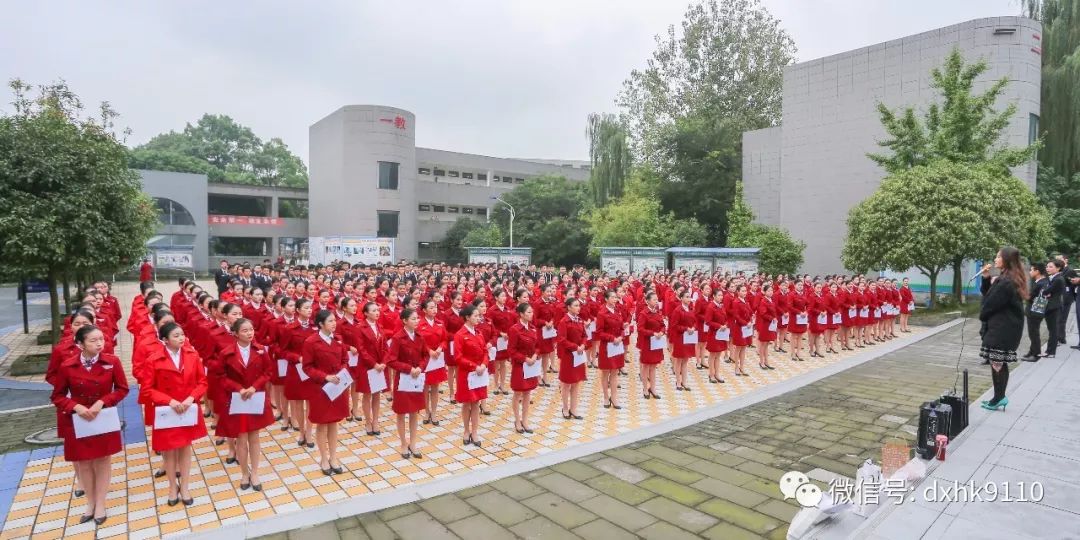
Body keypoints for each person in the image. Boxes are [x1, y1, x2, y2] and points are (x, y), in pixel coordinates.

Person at [50, 325, 129, 525]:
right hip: (79, 420)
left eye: (101, 339)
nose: (99, 343)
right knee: (84, 463)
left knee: (103, 461)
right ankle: (90, 503)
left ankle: (101, 503)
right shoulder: (68, 366)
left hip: (102, 418)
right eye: (93, 340)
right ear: (80, 344)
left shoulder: (112, 362)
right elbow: (57, 396)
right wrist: (75, 406)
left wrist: (103, 402)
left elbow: (122, 389)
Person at [144, 322, 208, 507]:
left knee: (186, 449)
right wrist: (169, 401)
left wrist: (190, 399)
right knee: (169, 452)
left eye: (182, 335)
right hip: (168, 411)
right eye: (176, 336)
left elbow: (202, 382)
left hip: (187, 408)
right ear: (164, 340)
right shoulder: (154, 359)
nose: (181, 338)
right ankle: (172, 487)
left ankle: (185, 486)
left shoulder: (192, 355)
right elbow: (148, 389)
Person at [214, 318, 274, 491]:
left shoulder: (261, 350)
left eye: (251, 329)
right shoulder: (227, 353)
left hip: (255, 397)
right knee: (241, 437)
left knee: (254, 437)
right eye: (245, 330)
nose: (250, 333)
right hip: (238, 399)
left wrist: (255, 387)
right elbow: (221, 376)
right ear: (235, 333)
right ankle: (244, 474)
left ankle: (254, 472)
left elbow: (268, 372)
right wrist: (238, 388)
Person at [978, 247, 1027, 411]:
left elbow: (990, 303)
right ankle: (998, 397)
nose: (995, 259)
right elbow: (990, 295)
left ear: (1006, 260)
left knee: (998, 362)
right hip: (1004, 327)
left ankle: (999, 397)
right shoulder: (1007, 278)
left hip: (1003, 328)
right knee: (997, 362)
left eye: (998, 257)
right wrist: (986, 278)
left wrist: (982, 314)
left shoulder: (1006, 281)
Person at [302, 310, 349, 475]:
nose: (334, 323)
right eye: (330, 321)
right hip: (320, 388)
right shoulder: (310, 342)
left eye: (334, 320)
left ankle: (333, 457)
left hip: (337, 387)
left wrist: (341, 373)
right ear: (321, 324)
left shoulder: (338, 339)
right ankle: (323, 458)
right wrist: (325, 377)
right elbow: (307, 367)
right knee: (322, 423)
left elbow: (345, 360)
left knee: (334, 423)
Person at [387, 308, 429, 459]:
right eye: (413, 318)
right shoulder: (398, 338)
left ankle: (413, 442)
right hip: (404, 379)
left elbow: (425, 355)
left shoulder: (420, 336)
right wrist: (408, 369)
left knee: (414, 411)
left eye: (417, 318)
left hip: (416, 378)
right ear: (404, 321)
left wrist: (421, 367)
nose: (417, 321)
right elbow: (391, 360)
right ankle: (403, 443)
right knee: (401, 412)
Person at [454, 305, 489, 447]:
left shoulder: (479, 333)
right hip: (466, 374)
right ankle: (466, 430)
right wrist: (474, 366)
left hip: (479, 373)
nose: (478, 318)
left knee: (476, 402)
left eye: (478, 316)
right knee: (466, 403)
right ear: (467, 317)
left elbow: (485, 351)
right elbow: (458, 357)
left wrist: (484, 365)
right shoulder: (460, 335)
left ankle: (475, 431)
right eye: (475, 316)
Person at [508, 302, 540, 433]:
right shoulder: (515, 329)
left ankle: (525, 420)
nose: (531, 314)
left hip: (531, 365)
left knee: (528, 393)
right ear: (521, 314)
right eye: (528, 312)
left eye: (532, 312)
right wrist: (525, 359)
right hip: (520, 366)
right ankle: (517, 420)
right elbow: (511, 350)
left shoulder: (533, 328)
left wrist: (535, 355)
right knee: (518, 392)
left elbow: (538, 345)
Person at [557, 298, 587, 418]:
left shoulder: (579, 320)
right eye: (575, 305)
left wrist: (583, 344)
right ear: (568, 307)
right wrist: (575, 347)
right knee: (566, 383)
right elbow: (561, 339)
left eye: (579, 305)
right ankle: (565, 408)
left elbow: (584, 335)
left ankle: (573, 408)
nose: (578, 307)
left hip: (579, 355)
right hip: (568, 355)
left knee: (576, 382)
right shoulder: (564, 321)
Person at [636, 292, 666, 397]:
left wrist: (662, 332)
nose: (656, 301)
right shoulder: (644, 313)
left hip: (656, 343)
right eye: (654, 299)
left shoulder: (658, 313)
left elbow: (663, 325)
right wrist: (653, 333)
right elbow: (640, 329)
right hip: (647, 343)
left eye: (657, 299)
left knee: (653, 366)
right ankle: (645, 388)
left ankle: (653, 388)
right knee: (646, 366)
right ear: (647, 301)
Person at [1022, 262, 1048, 362]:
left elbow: (1031, 297)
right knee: (1032, 333)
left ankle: (1036, 354)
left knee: (1034, 333)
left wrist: (1025, 295)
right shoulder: (1039, 282)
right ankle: (1032, 351)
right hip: (1034, 311)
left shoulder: (1042, 283)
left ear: (1037, 271)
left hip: (1035, 311)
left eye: (1032, 270)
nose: (1030, 272)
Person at [1042, 258, 1066, 358]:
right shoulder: (1054, 278)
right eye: (1047, 266)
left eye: (1051, 267)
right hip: (1051, 305)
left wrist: (1046, 292)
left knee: (1053, 330)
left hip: (1053, 306)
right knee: (1052, 329)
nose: (1048, 268)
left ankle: (1051, 352)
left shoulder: (1058, 279)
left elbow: (1045, 291)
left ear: (1058, 268)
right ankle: (1050, 351)